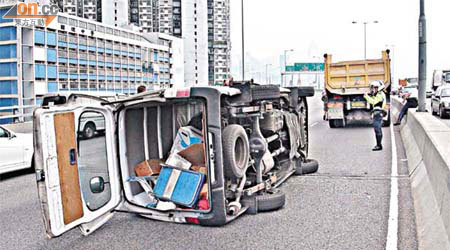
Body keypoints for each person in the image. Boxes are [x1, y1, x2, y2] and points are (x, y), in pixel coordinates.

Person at [364, 80, 387, 151]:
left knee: (377, 129)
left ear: (380, 87)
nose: (375, 89)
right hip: (377, 113)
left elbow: (373, 101)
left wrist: (366, 96)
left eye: (376, 87)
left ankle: (379, 145)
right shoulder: (379, 94)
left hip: (378, 114)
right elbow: (374, 100)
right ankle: (379, 145)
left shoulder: (380, 95)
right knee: (377, 129)